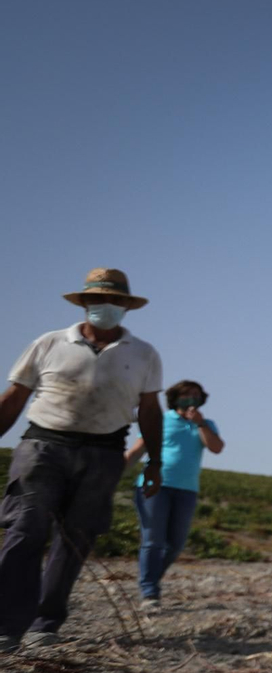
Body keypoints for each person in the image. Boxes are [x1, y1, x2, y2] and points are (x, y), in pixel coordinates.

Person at [0, 268, 164, 651]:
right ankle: (5, 625)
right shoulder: (50, 343)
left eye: (114, 301)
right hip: (43, 446)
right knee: (25, 530)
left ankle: (45, 623)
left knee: (75, 539)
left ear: (126, 307)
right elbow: (14, 397)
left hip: (103, 452)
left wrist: (154, 462)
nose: (105, 306)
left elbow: (150, 411)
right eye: (97, 299)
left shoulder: (144, 354)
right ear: (85, 303)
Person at [125, 380, 224, 610]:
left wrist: (200, 424)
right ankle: (149, 591)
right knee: (153, 540)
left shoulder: (206, 425)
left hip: (187, 489)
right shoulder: (161, 420)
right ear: (175, 397)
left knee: (175, 543)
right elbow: (137, 450)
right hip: (154, 486)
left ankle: (151, 580)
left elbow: (217, 448)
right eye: (187, 394)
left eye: (196, 394)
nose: (191, 398)